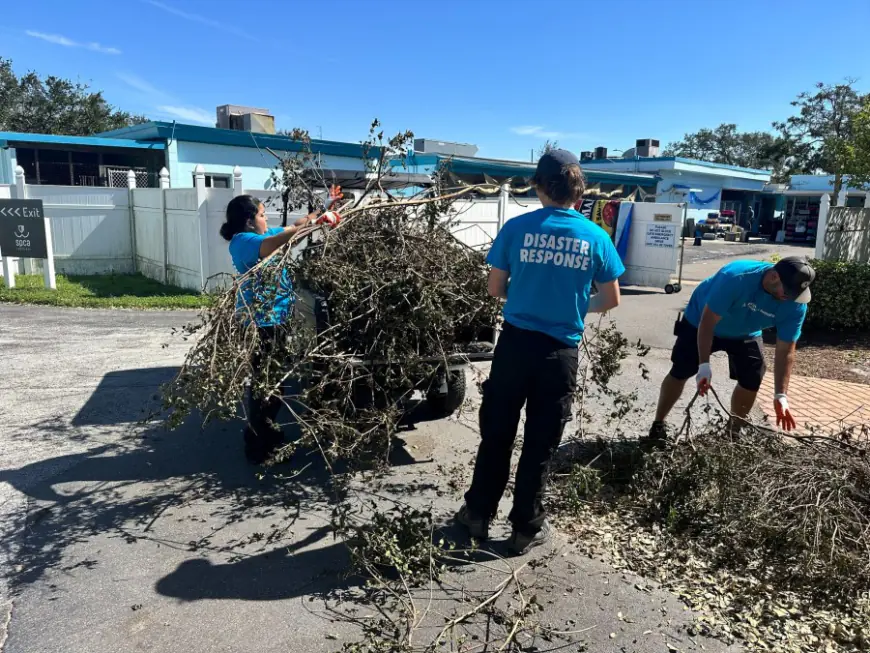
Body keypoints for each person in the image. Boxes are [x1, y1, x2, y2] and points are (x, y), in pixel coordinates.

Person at [455, 149, 624, 555]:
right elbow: (611, 299)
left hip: (514, 346)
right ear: (578, 190)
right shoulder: (597, 237)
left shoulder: (517, 228)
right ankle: (525, 529)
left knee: (497, 433)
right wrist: (568, 304)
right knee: (541, 441)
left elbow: (495, 289)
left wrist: (528, 297)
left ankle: (477, 515)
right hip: (559, 353)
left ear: (537, 185)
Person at [219, 191, 341, 464]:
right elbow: (280, 240)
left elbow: (295, 226)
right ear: (249, 221)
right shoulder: (244, 242)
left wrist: (320, 212)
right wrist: (316, 223)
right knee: (267, 387)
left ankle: (265, 438)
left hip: (275, 320)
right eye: (262, 215)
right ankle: (259, 447)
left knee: (273, 384)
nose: (266, 219)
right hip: (262, 324)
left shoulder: (259, 235)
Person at [648, 256, 815, 441]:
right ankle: (658, 426)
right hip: (700, 321)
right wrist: (704, 365)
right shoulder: (736, 277)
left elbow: (786, 350)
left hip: (746, 331)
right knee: (681, 370)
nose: (791, 298)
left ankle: (732, 435)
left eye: (796, 293)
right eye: (789, 291)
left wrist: (781, 395)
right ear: (774, 276)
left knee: (752, 376)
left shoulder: (796, 304)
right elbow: (707, 322)